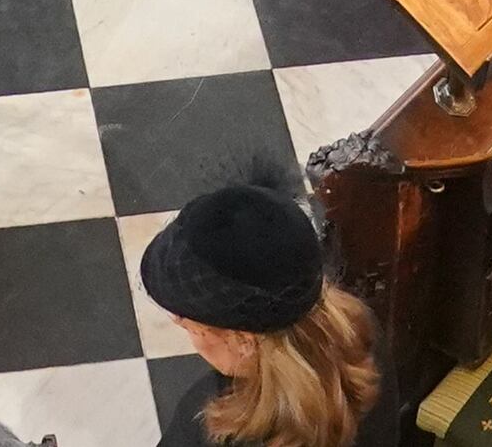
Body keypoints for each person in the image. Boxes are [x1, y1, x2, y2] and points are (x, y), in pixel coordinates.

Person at [138, 174, 388, 447]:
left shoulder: (211, 429)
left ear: (244, 341)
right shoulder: (361, 334)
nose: (176, 319)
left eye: (188, 323)